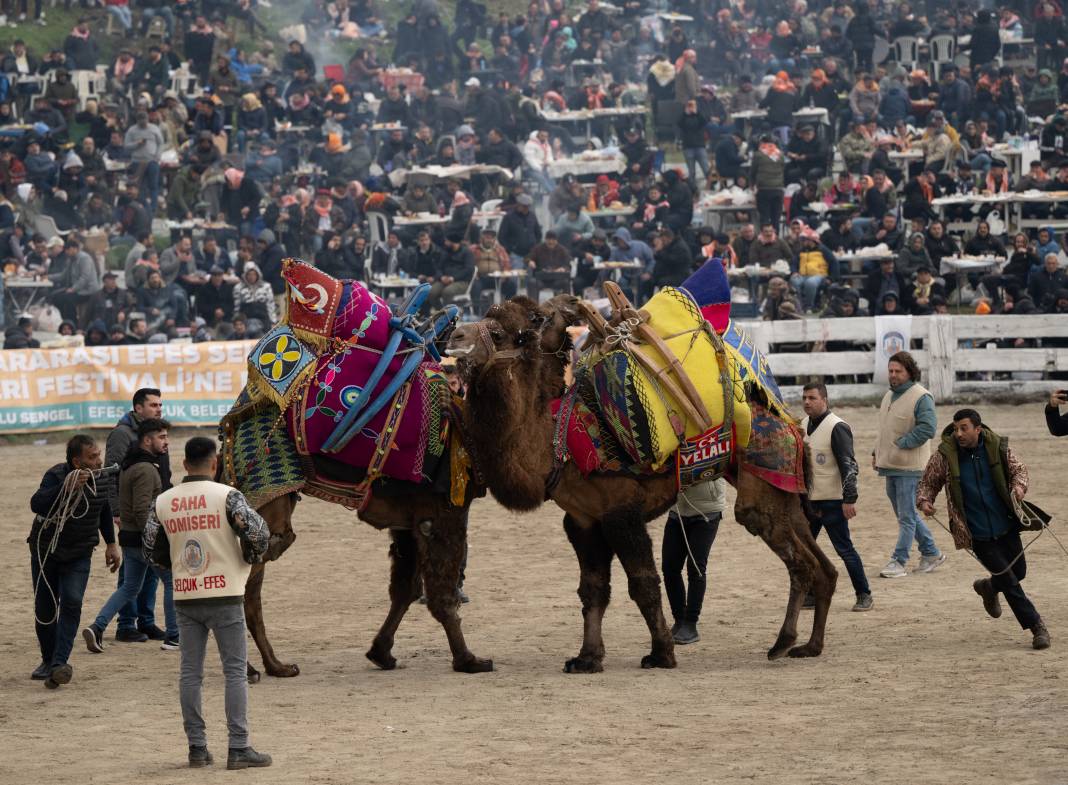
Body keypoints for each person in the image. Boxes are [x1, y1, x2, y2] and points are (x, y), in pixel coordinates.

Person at [143, 437, 272, 769]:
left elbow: (149, 549)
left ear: (184, 464)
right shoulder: (228, 496)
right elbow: (259, 534)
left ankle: (197, 748)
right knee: (233, 672)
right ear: (215, 464)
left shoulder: (164, 501)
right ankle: (239, 747)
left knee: (190, 673)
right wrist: (250, 557)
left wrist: (175, 569)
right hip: (226, 592)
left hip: (186, 594)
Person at [917, 409, 1050, 650]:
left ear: (978, 429)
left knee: (1018, 572)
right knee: (1009, 580)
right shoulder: (945, 455)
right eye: (956, 428)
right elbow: (928, 482)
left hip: (1006, 524)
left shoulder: (997, 447)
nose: (958, 433)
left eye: (964, 428)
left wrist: (1019, 488)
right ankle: (1037, 627)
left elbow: (1019, 470)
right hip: (975, 532)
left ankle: (987, 587)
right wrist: (925, 501)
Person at [29, 435, 120, 688]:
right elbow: (36, 504)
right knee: (45, 608)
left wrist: (111, 544)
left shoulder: (102, 477)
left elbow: (102, 509)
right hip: (46, 549)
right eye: (92, 457)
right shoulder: (56, 475)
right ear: (76, 461)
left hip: (80, 551)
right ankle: (48, 660)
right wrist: (66, 488)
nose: (99, 460)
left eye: (98, 455)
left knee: (72, 601)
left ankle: (59, 663)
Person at [83, 418, 176, 653]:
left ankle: (97, 626)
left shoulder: (131, 464)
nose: (166, 442)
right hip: (144, 539)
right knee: (171, 582)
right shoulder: (145, 469)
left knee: (129, 587)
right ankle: (174, 636)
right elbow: (141, 509)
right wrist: (156, 540)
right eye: (161, 437)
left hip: (130, 538)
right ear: (147, 440)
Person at [872, 351, 946, 578]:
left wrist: (903, 444)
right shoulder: (888, 396)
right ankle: (931, 552)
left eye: (898, 371)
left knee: (906, 517)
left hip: (910, 468)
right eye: (891, 371)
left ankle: (899, 561)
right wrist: (878, 452)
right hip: (891, 465)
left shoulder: (921, 396)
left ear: (909, 372)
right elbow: (886, 429)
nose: (893, 375)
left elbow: (927, 428)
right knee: (907, 515)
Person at [105, 388, 170, 643]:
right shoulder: (122, 434)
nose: (158, 409)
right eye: (153, 405)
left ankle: (147, 622)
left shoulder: (157, 433)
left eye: (160, 405)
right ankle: (126, 625)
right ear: (138, 408)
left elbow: (164, 473)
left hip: (158, 511)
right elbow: (111, 473)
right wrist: (117, 510)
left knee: (151, 573)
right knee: (131, 574)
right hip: (134, 514)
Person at [800, 383, 873, 612]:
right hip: (809, 502)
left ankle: (864, 594)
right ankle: (811, 593)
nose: (807, 402)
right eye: (804, 398)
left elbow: (849, 465)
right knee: (805, 550)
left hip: (832, 501)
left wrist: (849, 498)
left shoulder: (837, 427)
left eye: (812, 398)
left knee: (844, 549)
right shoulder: (803, 425)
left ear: (825, 399)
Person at [661, 478, 725, 645]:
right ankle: (679, 620)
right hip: (677, 511)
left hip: (707, 511)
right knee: (669, 568)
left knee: (696, 568)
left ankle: (691, 624)